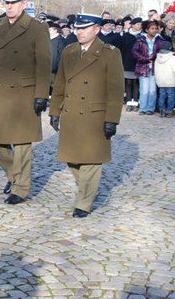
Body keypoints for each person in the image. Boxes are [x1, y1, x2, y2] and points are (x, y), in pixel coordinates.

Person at [0, 0, 51, 204]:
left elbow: (44, 64)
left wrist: (41, 94)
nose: (9, 7)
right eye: (7, 3)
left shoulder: (37, 28)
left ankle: (21, 187)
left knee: (21, 142)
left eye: (13, 3)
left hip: (23, 92)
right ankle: (13, 175)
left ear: (24, 4)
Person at [49, 12, 124, 218]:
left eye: (84, 28)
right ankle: (87, 189)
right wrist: (55, 110)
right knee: (71, 159)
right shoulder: (69, 50)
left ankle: (84, 202)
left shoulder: (110, 52)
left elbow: (116, 88)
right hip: (72, 112)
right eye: (77, 28)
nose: (79, 32)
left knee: (91, 159)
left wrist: (112, 118)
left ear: (97, 29)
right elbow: (61, 83)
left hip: (95, 114)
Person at [132, 19, 165, 115]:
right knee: (144, 89)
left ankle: (151, 108)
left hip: (156, 67)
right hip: (143, 67)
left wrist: (154, 56)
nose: (154, 30)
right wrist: (145, 58)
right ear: (146, 30)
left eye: (156, 28)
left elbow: (162, 51)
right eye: (152, 28)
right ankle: (143, 108)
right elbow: (134, 52)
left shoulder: (160, 39)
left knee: (152, 90)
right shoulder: (140, 39)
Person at [154, 40, 175, 118]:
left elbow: (155, 70)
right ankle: (169, 111)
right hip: (170, 80)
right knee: (171, 96)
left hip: (160, 81)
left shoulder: (157, 58)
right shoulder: (173, 58)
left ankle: (162, 111)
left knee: (162, 95)